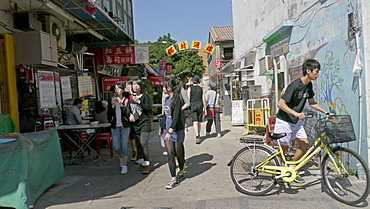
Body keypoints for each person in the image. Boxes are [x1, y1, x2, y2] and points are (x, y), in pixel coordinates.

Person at [274, 59, 330, 184]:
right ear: (308, 71)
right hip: (284, 121)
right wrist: (295, 113)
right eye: (316, 71)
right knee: (284, 150)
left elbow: (312, 102)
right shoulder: (295, 85)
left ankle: (292, 169)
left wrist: (326, 112)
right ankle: (279, 172)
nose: (318, 74)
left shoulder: (308, 85)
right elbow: (280, 103)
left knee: (305, 146)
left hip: (296, 122)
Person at [162, 78, 186, 189]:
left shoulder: (177, 100)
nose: (162, 88)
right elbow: (165, 115)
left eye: (164, 86)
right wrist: (162, 128)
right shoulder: (167, 99)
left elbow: (176, 117)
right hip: (167, 130)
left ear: (169, 88)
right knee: (170, 154)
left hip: (177, 130)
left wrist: (171, 130)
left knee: (178, 153)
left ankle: (181, 168)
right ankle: (173, 178)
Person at [107, 83, 131, 174]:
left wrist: (121, 105)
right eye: (116, 88)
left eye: (119, 88)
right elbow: (108, 114)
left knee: (124, 145)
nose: (117, 90)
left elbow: (128, 113)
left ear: (123, 90)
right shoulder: (111, 100)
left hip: (124, 126)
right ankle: (122, 156)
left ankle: (124, 165)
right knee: (116, 146)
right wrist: (112, 106)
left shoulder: (126, 100)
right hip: (115, 126)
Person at [129, 79, 152, 174]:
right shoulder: (130, 97)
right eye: (134, 84)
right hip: (135, 124)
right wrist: (130, 114)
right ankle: (142, 162)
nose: (136, 86)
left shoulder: (145, 96)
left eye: (138, 85)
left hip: (144, 123)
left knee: (144, 143)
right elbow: (127, 108)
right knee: (138, 145)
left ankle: (146, 165)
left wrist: (139, 102)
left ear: (141, 86)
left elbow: (148, 109)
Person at [187, 75, 203, 144]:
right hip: (200, 105)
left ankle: (197, 136)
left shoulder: (190, 89)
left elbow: (188, 99)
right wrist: (205, 108)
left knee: (195, 121)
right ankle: (199, 134)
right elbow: (203, 99)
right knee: (199, 121)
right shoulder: (201, 88)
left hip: (193, 106)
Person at [125, 79, 138, 161]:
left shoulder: (136, 95)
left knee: (136, 136)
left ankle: (138, 153)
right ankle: (134, 152)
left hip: (137, 117)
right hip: (128, 118)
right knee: (132, 136)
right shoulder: (125, 95)